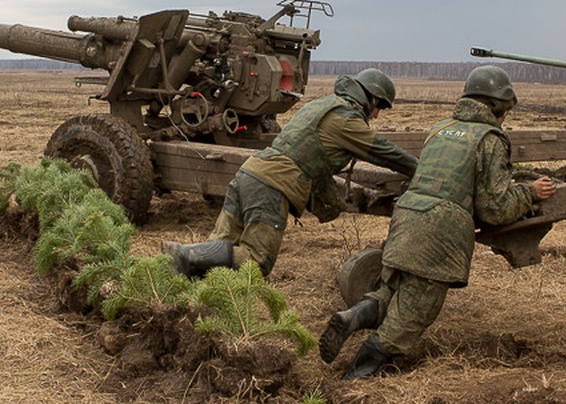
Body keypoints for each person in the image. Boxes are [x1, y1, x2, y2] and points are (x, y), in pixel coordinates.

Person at [317, 66, 557, 379]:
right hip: (440, 231)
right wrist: (530, 193)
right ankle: (357, 377)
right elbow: (494, 209)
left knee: (391, 292)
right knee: (414, 312)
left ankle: (352, 317)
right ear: (499, 106)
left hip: (407, 218)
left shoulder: (440, 128)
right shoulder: (491, 139)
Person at [162, 68, 418, 278]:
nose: (376, 115)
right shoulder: (347, 120)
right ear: (370, 98)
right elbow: (386, 153)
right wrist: (422, 170)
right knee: (255, 262)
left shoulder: (323, 105)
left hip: (249, 174)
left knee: (219, 252)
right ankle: (184, 254)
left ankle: (186, 294)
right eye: (379, 107)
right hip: (271, 186)